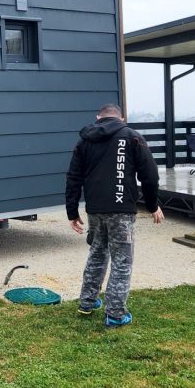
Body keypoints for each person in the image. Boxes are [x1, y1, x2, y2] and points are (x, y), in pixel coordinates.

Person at [65, 103, 163, 328]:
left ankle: (87, 302)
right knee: (122, 261)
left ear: (98, 117)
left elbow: (73, 178)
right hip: (122, 210)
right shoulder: (132, 137)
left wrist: (72, 212)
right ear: (122, 118)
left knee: (97, 254)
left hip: (95, 210)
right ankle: (116, 314)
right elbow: (150, 175)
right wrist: (152, 205)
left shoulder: (85, 140)